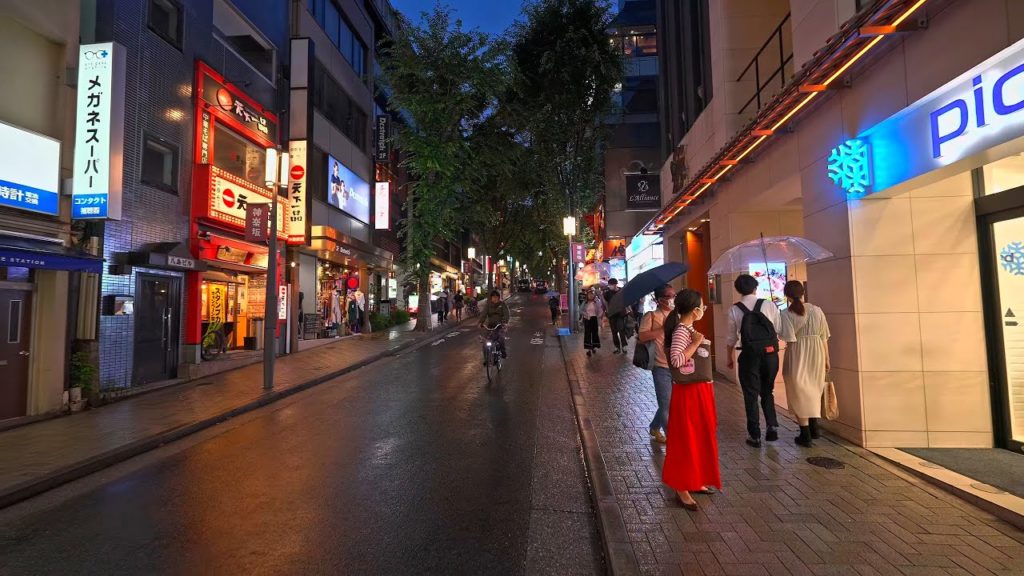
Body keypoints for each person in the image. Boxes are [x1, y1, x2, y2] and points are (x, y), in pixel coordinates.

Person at [662, 289, 720, 510]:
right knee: (687, 438)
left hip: (696, 392)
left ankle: (694, 480)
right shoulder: (682, 331)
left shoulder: (687, 329)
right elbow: (676, 360)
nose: (704, 310)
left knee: (697, 437)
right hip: (689, 394)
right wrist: (696, 343)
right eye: (703, 307)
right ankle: (682, 487)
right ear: (695, 310)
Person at [726, 274, 783, 448]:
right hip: (770, 355)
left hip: (749, 356)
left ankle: (755, 435)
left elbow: (731, 338)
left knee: (750, 395)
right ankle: (772, 425)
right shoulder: (769, 304)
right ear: (755, 287)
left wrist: (730, 357)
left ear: (738, 290)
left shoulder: (734, 309)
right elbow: (778, 329)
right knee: (768, 390)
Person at [780, 281, 832, 447]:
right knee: (814, 389)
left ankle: (805, 434)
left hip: (797, 352)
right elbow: (824, 336)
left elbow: (787, 337)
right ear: (803, 292)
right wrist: (827, 358)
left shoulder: (786, 313)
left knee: (799, 390)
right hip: (817, 352)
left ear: (787, 295)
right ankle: (815, 427)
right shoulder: (817, 310)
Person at [637, 284, 675, 444]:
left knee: (670, 402)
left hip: (679, 365)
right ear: (660, 300)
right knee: (667, 405)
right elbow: (642, 337)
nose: (673, 299)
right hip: (661, 367)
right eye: (669, 296)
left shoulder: (678, 315)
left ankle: (654, 426)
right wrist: (662, 330)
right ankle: (673, 441)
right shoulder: (651, 316)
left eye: (674, 295)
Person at [478, 290, 510, 358]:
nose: (495, 299)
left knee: (501, 338)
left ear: (499, 298)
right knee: (485, 341)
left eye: (496, 297)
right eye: (493, 297)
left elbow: (506, 314)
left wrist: (504, 322)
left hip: (500, 325)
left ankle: (503, 352)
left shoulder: (502, 304)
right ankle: (486, 358)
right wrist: (481, 322)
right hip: (490, 325)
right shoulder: (488, 305)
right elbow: (484, 314)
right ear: (491, 298)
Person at [604, 278, 629, 354]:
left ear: (615, 285)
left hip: (620, 314)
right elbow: (606, 303)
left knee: (621, 330)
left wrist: (627, 309)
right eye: (609, 285)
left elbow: (625, 301)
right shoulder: (607, 293)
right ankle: (617, 347)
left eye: (611, 285)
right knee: (614, 332)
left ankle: (624, 346)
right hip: (612, 315)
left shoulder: (622, 291)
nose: (609, 286)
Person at [580, 289, 605, 357]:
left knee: (594, 333)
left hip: (594, 319)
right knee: (587, 334)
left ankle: (593, 347)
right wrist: (585, 314)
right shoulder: (585, 302)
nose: (591, 295)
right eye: (589, 294)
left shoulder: (597, 302)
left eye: (592, 294)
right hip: (587, 319)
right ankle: (588, 349)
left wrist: (599, 316)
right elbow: (580, 310)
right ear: (587, 295)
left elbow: (601, 310)